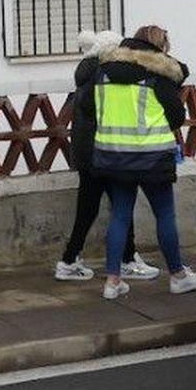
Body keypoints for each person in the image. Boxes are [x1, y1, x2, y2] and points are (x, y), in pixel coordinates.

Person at [93, 25, 196, 301]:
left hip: (114, 154)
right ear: (160, 47)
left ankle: (112, 281)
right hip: (152, 155)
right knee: (164, 214)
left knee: (120, 214)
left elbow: (88, 107)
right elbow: (176, 116)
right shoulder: (157, 73)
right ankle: (178, 276)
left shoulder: (104, 72)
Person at [53, 29, 161, 283]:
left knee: (87, 209)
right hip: (105, 152)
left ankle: (69, 261)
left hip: (86, 152)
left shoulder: (85, 72)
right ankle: (127, 260)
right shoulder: (103, 75)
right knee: (122, 204)